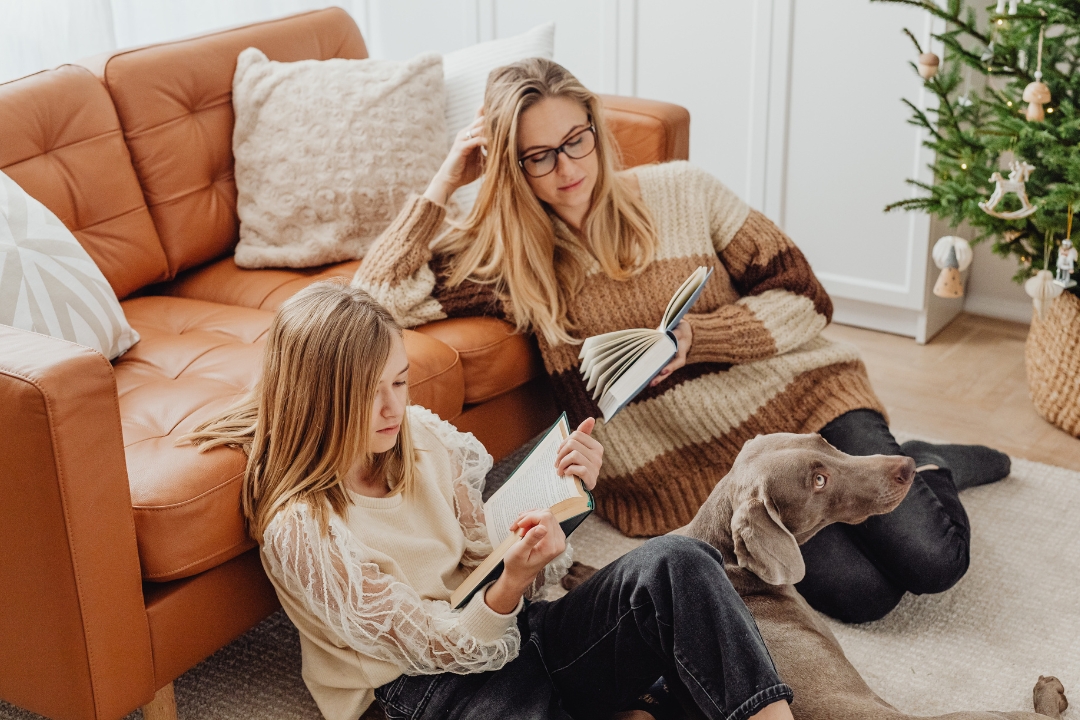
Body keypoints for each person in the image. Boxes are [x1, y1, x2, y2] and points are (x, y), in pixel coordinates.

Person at [352, 57, 1011, 624]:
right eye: (538, 156)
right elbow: (373, 299)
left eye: (576, 140)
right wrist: (446, 178)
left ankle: (925, 467)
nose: (566, 167)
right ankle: (903, 462)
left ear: (596, 129)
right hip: (696, 463)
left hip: (801, 407)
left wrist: (700, 339)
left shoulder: (683, 191)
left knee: (931, 559)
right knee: (864, 594)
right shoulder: (509, 264)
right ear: (510, 164)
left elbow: (806, 296)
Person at [183, 281, 795, 720]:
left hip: (511, 631)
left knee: (678, 563)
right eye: (369, 395)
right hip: (424, 691)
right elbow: (438, 645)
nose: (394, 408)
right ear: (321, 398)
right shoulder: (302, 532)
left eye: (398, 381)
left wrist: (562, 504)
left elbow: (491, 559)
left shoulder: (416, 438)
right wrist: (510, 584)